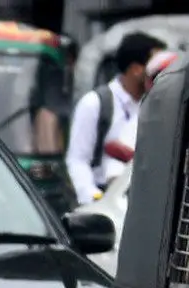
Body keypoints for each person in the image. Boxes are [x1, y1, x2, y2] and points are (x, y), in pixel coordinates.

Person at [65, 31, 166, 205]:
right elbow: (78, 159)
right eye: (156, 67)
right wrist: (94, 199)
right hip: (103, 199)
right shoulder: (95, 103)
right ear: (136, 69)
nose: (161, 73)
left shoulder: (154, 106)